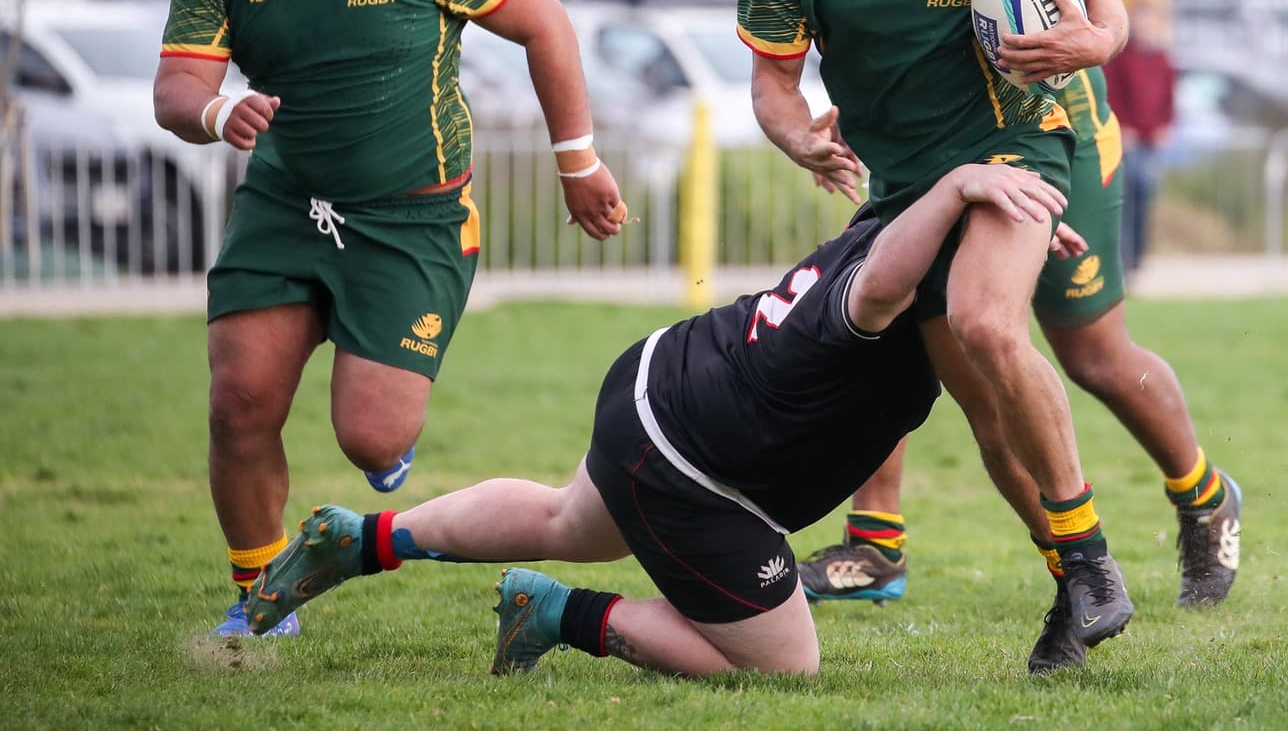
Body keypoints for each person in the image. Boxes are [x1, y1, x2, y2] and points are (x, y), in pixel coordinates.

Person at [238, 165, 1084, 676]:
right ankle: (557, 615)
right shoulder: (903, 289)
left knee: (569, 516)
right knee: (787, 662)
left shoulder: (895, 227)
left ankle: (365, 539)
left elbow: (910, 247)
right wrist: (961, 184)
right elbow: (882, 290)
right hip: (695, 461)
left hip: (658, 379)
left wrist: (1000, 222)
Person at [152, 0, 624, 641]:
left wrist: (578, 162)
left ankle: (384, 439)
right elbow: (174, 90)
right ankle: (262, 598)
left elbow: (545, 23)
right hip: (288, 204)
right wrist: (219, 109)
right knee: (238, 403)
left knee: (369, 439)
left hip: (415, 217)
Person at [795, 0, 1238, 656]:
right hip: (938, 158)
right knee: (934, 354)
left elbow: (1064, 10)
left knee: (1091, 358)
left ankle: (1203, 496)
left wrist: (1060, 120)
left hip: (1060, 140)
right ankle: (893, 547)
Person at [738, 0, 1136, 666]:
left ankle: (1092, 561)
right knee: (989, 421)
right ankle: (1066, 594)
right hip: (906, 189)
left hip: (1015, 145)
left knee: (991, 323)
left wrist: (1097, 43)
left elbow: (1102, 0)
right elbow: (771, 80)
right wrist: (796, 134)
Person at [1104, 0, 1176, 273]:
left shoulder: (1162, 59)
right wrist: (1121, 126)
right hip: (1128, 139)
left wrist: (1164, 126)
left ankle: (1138, 258)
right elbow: (1113, 94)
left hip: (1150, 141)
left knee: (1145, 197)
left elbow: (1168, 99)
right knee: (1126, 197)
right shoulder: (1122, 57)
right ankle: (1123, 257)